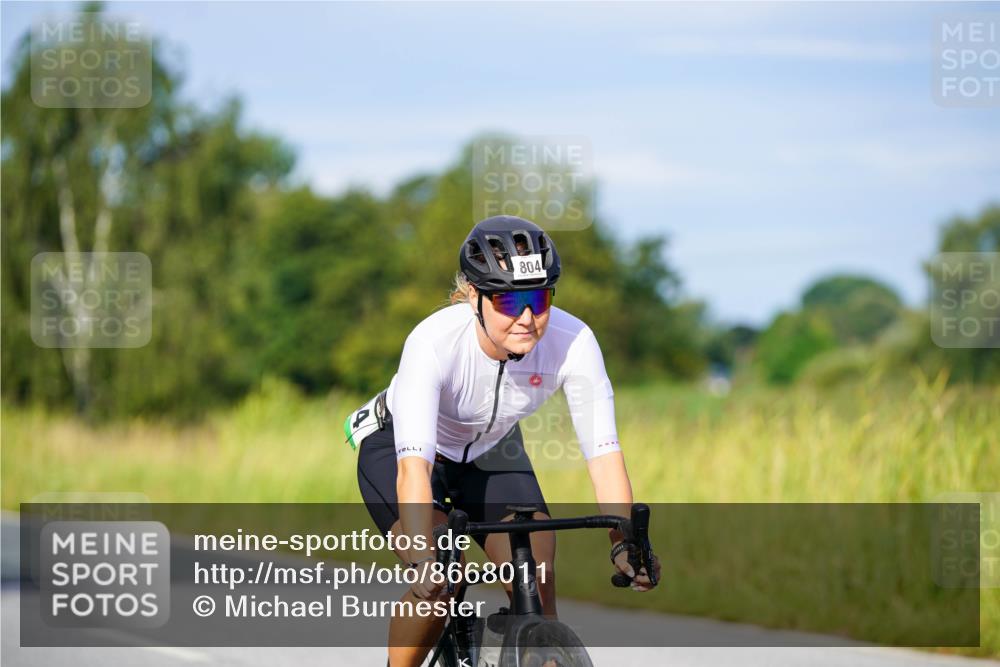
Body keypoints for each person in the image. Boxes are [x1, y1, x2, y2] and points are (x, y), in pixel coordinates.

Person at [348, 215, 660, 667]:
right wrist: (421, 553)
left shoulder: (575, 342)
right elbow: (413, 466)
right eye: (508, 301)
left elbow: (604, 454)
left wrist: (624, 541)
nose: (528, 318)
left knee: (537, 580)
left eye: (539, 297)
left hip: (492, 448)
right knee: (441, 581)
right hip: (403, 444)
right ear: (474, 297)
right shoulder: (433, 342)